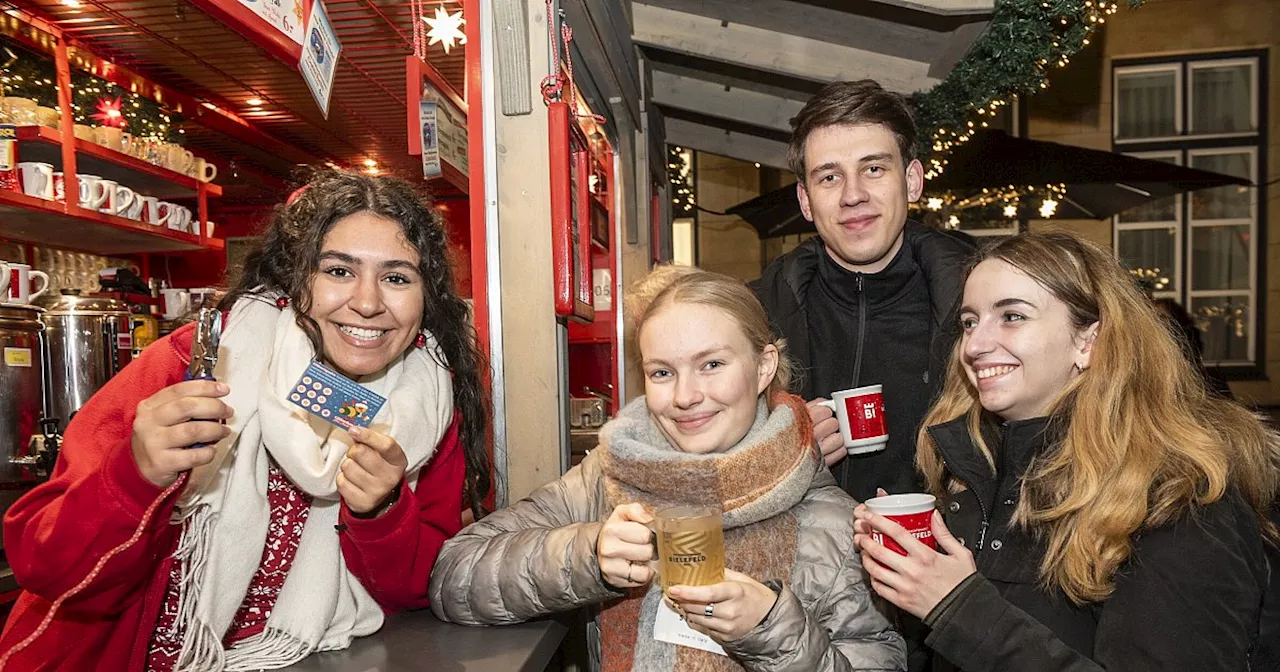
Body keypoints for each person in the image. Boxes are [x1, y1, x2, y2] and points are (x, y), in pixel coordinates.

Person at [0, 169, 491, 671]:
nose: (367, 303)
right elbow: (45, 566)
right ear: (294, 276)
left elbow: (413, 589)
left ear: (426, 295)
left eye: (396, 277)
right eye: (338, 271)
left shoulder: (424, 405)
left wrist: (382, 510)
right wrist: (135, 476)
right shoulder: (197, 364)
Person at [429, 266, 907, 672]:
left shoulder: (835, 520)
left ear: (763, 367)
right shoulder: (609, 477)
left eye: (712, 364)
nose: (684, 396)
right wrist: (588, 554)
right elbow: (453, 575)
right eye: (662, 372)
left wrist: (771, 626)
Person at [853, 232, 1280, 670]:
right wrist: (908, 580)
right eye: (968, 321)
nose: (975, 345)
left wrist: (958, 609)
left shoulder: (1180, 494)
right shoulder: (972, 471)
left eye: (1012, 316)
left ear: (1088, 341)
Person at [748, 79, 975, 504]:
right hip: (804, 567)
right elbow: (699, 456)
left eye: (873, 169)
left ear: (911, 181)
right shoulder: (757, 315)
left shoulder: (980, 308)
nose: (853, 195)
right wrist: (772, 456)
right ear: (805, 200)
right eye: (830, 177)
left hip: (948, 564)